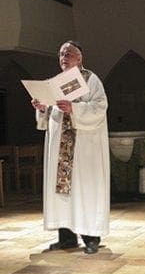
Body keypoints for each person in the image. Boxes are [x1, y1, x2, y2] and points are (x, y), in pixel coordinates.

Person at [31, 40, 110, 254]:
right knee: (62, 192)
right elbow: (47, 117)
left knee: (84, 190)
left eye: (68, 53)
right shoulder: (54, 82)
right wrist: (42, 108)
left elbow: (100, 107)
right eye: (60, 54)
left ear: (79, 58)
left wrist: (73, 108)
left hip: (84, 148)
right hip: (60, 149)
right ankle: (66, 238)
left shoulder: (91, 79)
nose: (63, 56)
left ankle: (91, 238)